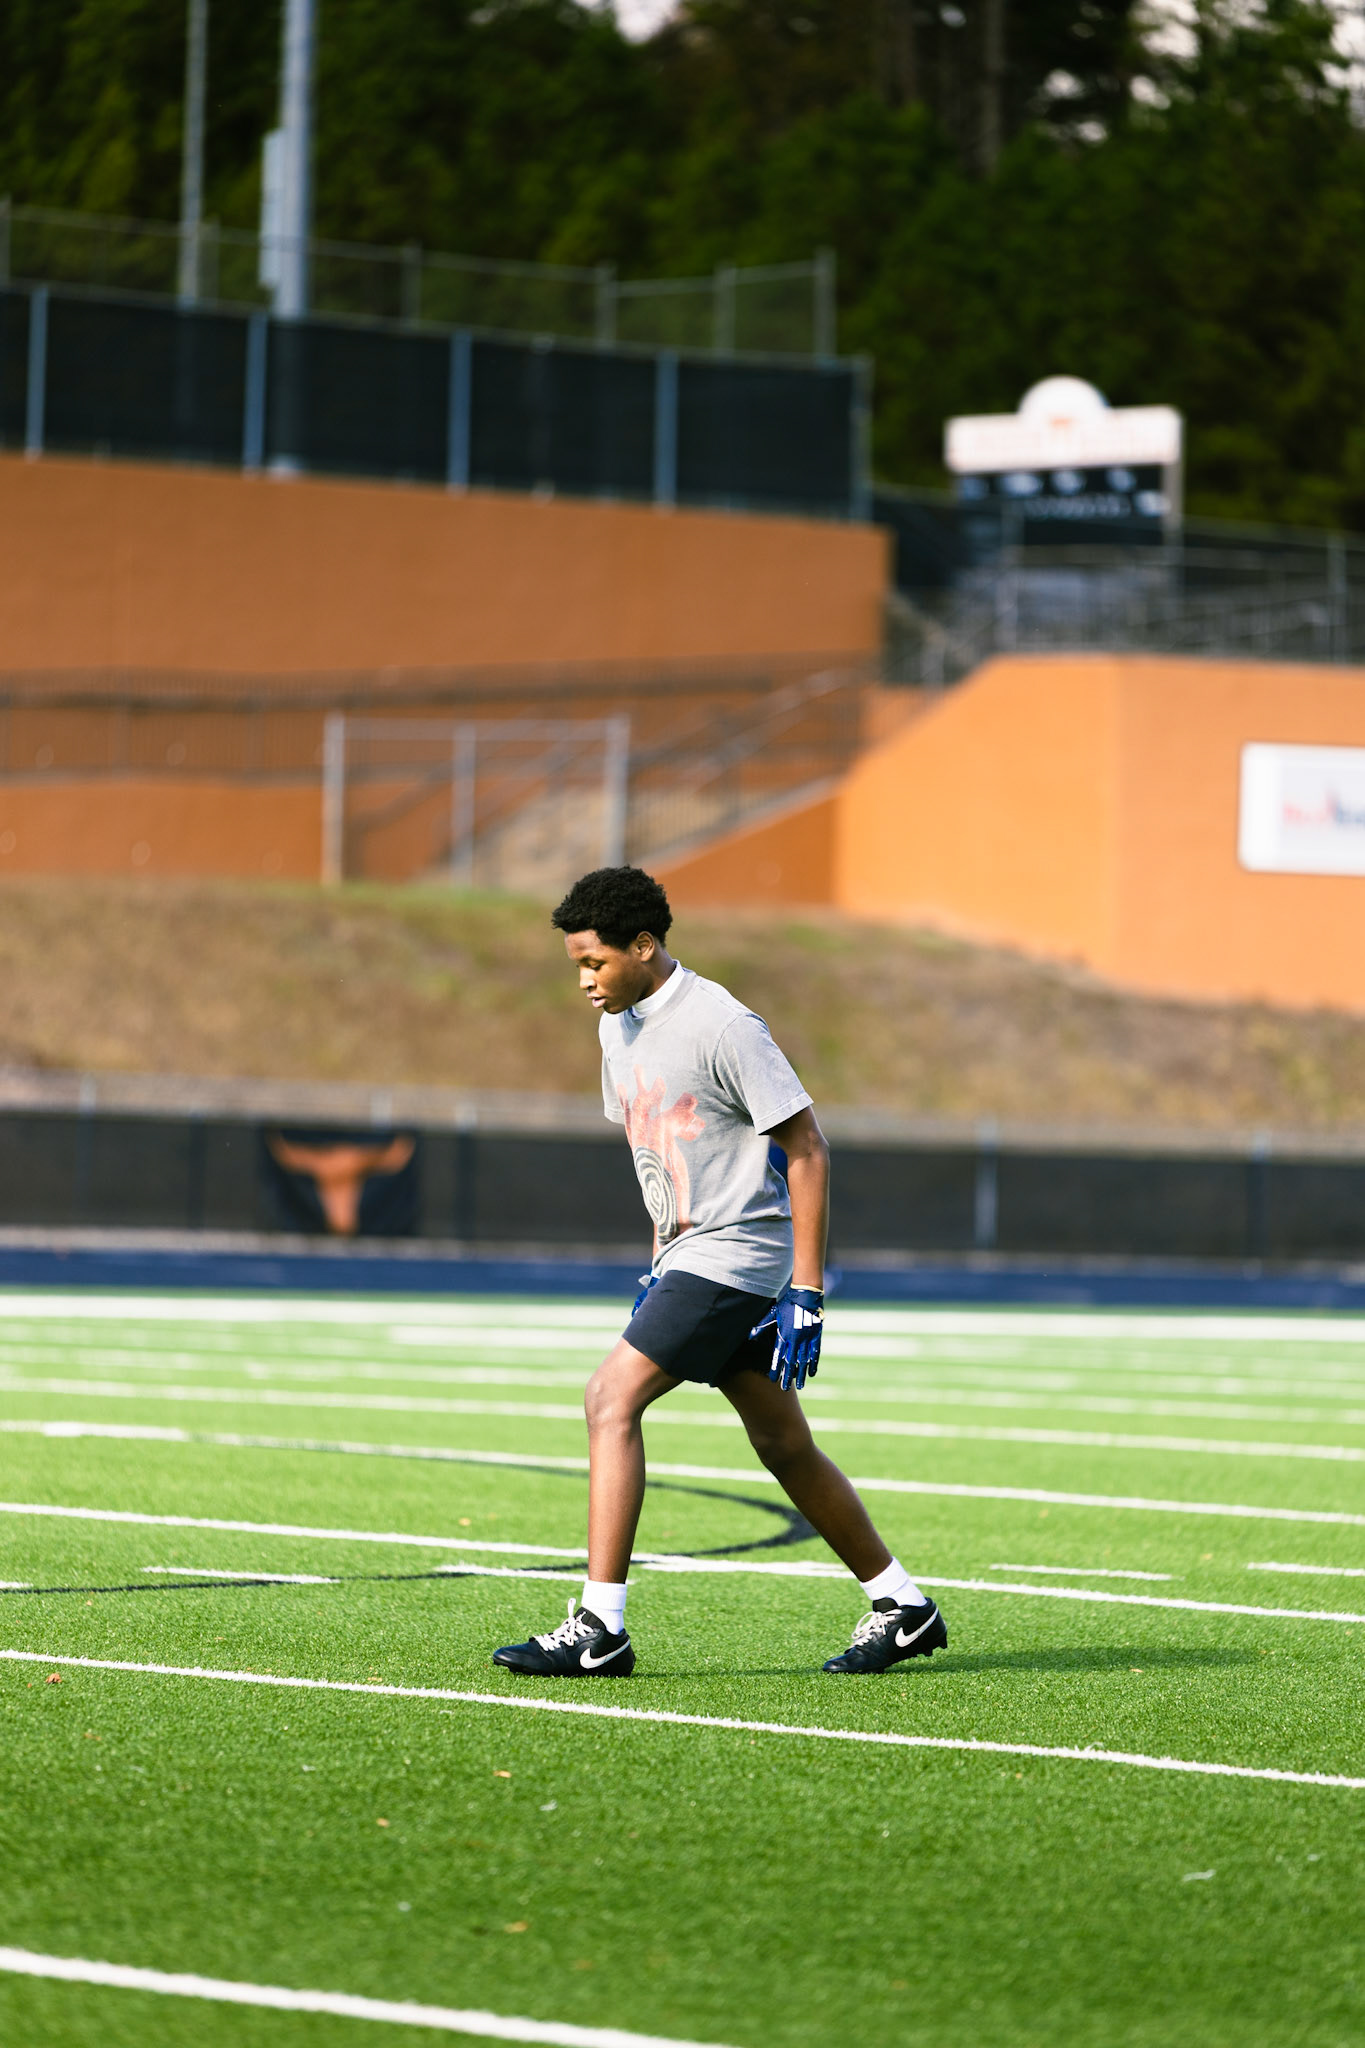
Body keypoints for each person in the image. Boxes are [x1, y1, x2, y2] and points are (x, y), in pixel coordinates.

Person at [492, 865, 947, 1679]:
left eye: (594, 963)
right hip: (691, 1257)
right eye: (576, 967)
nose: (585, 982)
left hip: (736, 1254)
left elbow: (807, 1149)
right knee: (782, 1443)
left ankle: (599, 1627)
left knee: (609, 1399)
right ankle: (903, 1606)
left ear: (643, 946)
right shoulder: (616, 1027)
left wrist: (806, 1290)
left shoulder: (724, 1024)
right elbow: (657, 1158)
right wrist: (658, 1264)